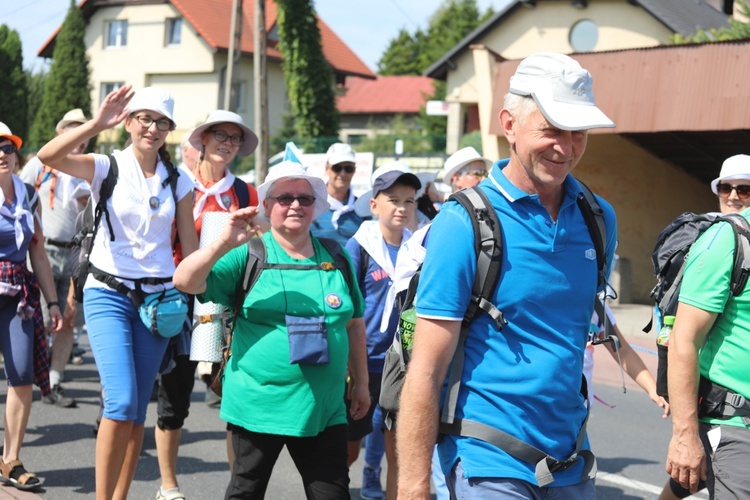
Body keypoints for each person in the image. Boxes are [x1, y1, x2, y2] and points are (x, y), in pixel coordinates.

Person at [396, 52, 618, 499]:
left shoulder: (598, 218)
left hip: (569, 459)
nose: (566, 146)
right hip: (485, 456)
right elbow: (426, 366)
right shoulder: (464, 224)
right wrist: (413, 484)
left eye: (578, 133)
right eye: (551, 128)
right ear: (509, 125)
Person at [36, 85, 199, 500]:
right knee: (122, 402)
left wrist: (226, 247)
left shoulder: (178, 180)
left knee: (137, 407)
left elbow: (190, 252)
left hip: (159, 302)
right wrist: (95, 123)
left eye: (162, 122)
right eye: (144, 118)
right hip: (107, 293)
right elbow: (47, 157)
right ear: (128, 122)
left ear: (169, 130)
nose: (152, 128)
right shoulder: (107, 165)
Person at [174, 160, 370, 499]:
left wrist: (362, 383)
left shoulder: (337, 256)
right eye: (284, 198)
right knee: (246, 492)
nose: (295, 205)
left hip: (324, 408)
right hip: (258, 407)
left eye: (304, 199)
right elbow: (185, 280)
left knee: (333, 495)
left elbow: (353, 325)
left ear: (315, 207)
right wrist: (223, 243)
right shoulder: (249, 254)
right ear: (267, 205)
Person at [155, 109, 260, 500]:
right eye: (221, 135)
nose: (228, 144)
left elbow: (256, 244)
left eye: (235, 139)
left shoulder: (246, 192)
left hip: (226, 302)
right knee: (174, 398)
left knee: (233, 399)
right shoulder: (178, 185)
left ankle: (239, 489)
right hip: (179, 299)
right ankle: (169, 486)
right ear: (202, 139)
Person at [664, 154, 750, 500]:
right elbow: (684, 339)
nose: (733, 195)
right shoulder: (725, 240)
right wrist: (685, 435)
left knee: (684, 484)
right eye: (726, 187)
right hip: (735, 423)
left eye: (743, 188)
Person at [344, 165, 421, 500]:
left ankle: (375, 476)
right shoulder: (358, 246)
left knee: (393, 438)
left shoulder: (417, 248)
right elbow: (345, 307)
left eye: (410, 200)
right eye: (393, 199)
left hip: (401, 360)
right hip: (361, 358)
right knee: (348, 445)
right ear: (374, 204)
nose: (402, 207)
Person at [0, 122, 63, 491]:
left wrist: (52, 301)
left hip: (18, 295)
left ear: (16, 153)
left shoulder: (28, 193)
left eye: (7, 147)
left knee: (21, 375)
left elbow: (38, 252)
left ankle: (11, 459)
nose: (1, 154)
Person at [20, 108, 92, 409]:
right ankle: (21, 377)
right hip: (42, 250)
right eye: (73, 129)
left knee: (68, 318)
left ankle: (54, 381)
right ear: (60, 133)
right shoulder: (39, 165)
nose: (79, 137)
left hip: (75, 253)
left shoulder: (89, 169)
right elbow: (17, 197)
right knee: (28, 317)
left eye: (83, 131)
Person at [311, 142, 365, 246]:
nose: (343, 173)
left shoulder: (362, 208)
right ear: (327, 169)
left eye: (348, 168)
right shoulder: (311, 205)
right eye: (337, 167)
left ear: (354, 170)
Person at [425, 146, 492, 206]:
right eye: (478, 173)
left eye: (485, 173)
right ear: (457, 179)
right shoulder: (441, 211)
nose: (484, 178)